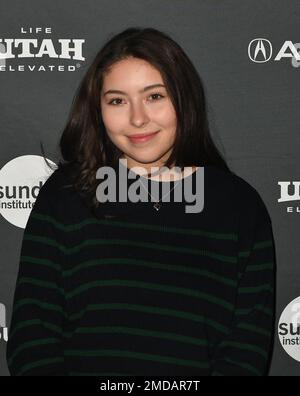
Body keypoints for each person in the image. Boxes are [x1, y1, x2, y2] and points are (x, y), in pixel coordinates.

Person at [6, 27, 276, 376]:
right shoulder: (65, 195)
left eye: (154, 97)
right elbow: (33, 335)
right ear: (98, 109)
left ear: (183, 98)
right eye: (117, 100)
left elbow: (246, 350)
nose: (137, 119)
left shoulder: (239, 207)